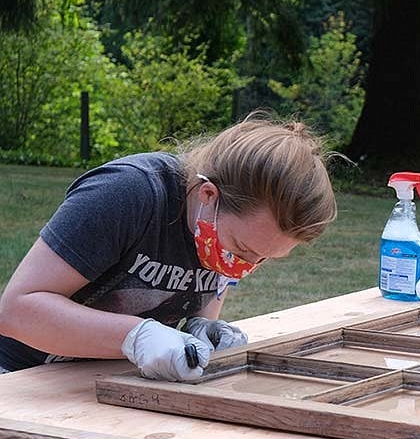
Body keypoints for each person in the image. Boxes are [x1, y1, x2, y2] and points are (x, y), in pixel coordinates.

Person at [0, 114, 337, 382]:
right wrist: (134, 336)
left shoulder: (224, 229)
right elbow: (15, 311)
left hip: (101, 380)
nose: (242, 267)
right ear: (208, 196)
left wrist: (200, 331)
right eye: (241, 249)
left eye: (264, 259)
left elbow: (194, 304)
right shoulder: (127, 194)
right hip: (19, 374)